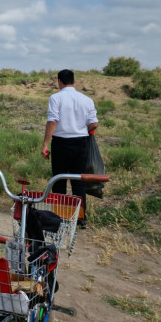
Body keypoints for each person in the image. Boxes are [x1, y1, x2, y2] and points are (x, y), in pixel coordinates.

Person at [41, 69, 98, 228]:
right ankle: (80, 218)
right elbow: (93, 124)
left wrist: (45, 144)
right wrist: (82, 130)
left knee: (59, 180)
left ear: (59, 81)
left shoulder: (56, 98)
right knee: (78, 181)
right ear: (74, 81)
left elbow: (52, 121)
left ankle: (59, 217)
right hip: (81, 143)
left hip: (61, 143)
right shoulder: (86, 99)